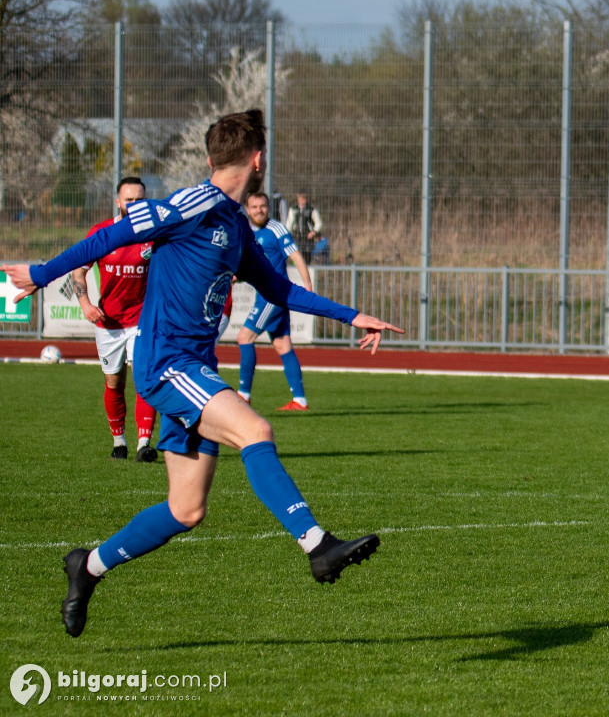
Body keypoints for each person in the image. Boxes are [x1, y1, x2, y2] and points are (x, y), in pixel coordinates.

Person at [2, 109, 404, 638]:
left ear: (218, 155)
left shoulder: (236, 224)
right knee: (256, 430)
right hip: (168, 363)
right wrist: (40, 273)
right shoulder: (191, 204)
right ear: (258, 160)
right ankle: (317, 545)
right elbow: (110, 237)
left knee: (186, 509)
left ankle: (88, 567)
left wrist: (351, 315)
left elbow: (279, 290)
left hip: (194, 367)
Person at [71, 177, 158, 463]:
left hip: (142, 320)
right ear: (118, 202)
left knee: (143, 380)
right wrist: (85, 304)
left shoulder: (154, 234)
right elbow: (78, 272)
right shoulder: (101, 233)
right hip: (109, 322)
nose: (134, 204)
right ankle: (119, 442)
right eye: (128, 200)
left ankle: (143, 444)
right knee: (113, 382)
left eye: (139, 200)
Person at [237, 190, 313, 410]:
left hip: (273, 295)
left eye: (263, 206)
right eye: (255, 207)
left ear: (268, 207)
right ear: (247, 209)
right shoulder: (246, 231)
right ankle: (300, 400)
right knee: (282, 345)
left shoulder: (276, 229)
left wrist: (307, 285)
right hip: (266, 295)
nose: (259, 210)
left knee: (244, 337)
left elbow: (296, 255)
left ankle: (243, 394)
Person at [285, 191, 322, 265]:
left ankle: (306, 271)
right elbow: (289, 223)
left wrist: (313, 232)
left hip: (307, 237)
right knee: (296, 255)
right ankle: (296, 271)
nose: (301, 201)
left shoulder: (312, 210)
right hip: (296, 236)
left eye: (303, 199)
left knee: (307, 257)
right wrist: (288, 234)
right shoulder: (293, 209)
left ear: (307, 199)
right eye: (299, 199)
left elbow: (319, 223)